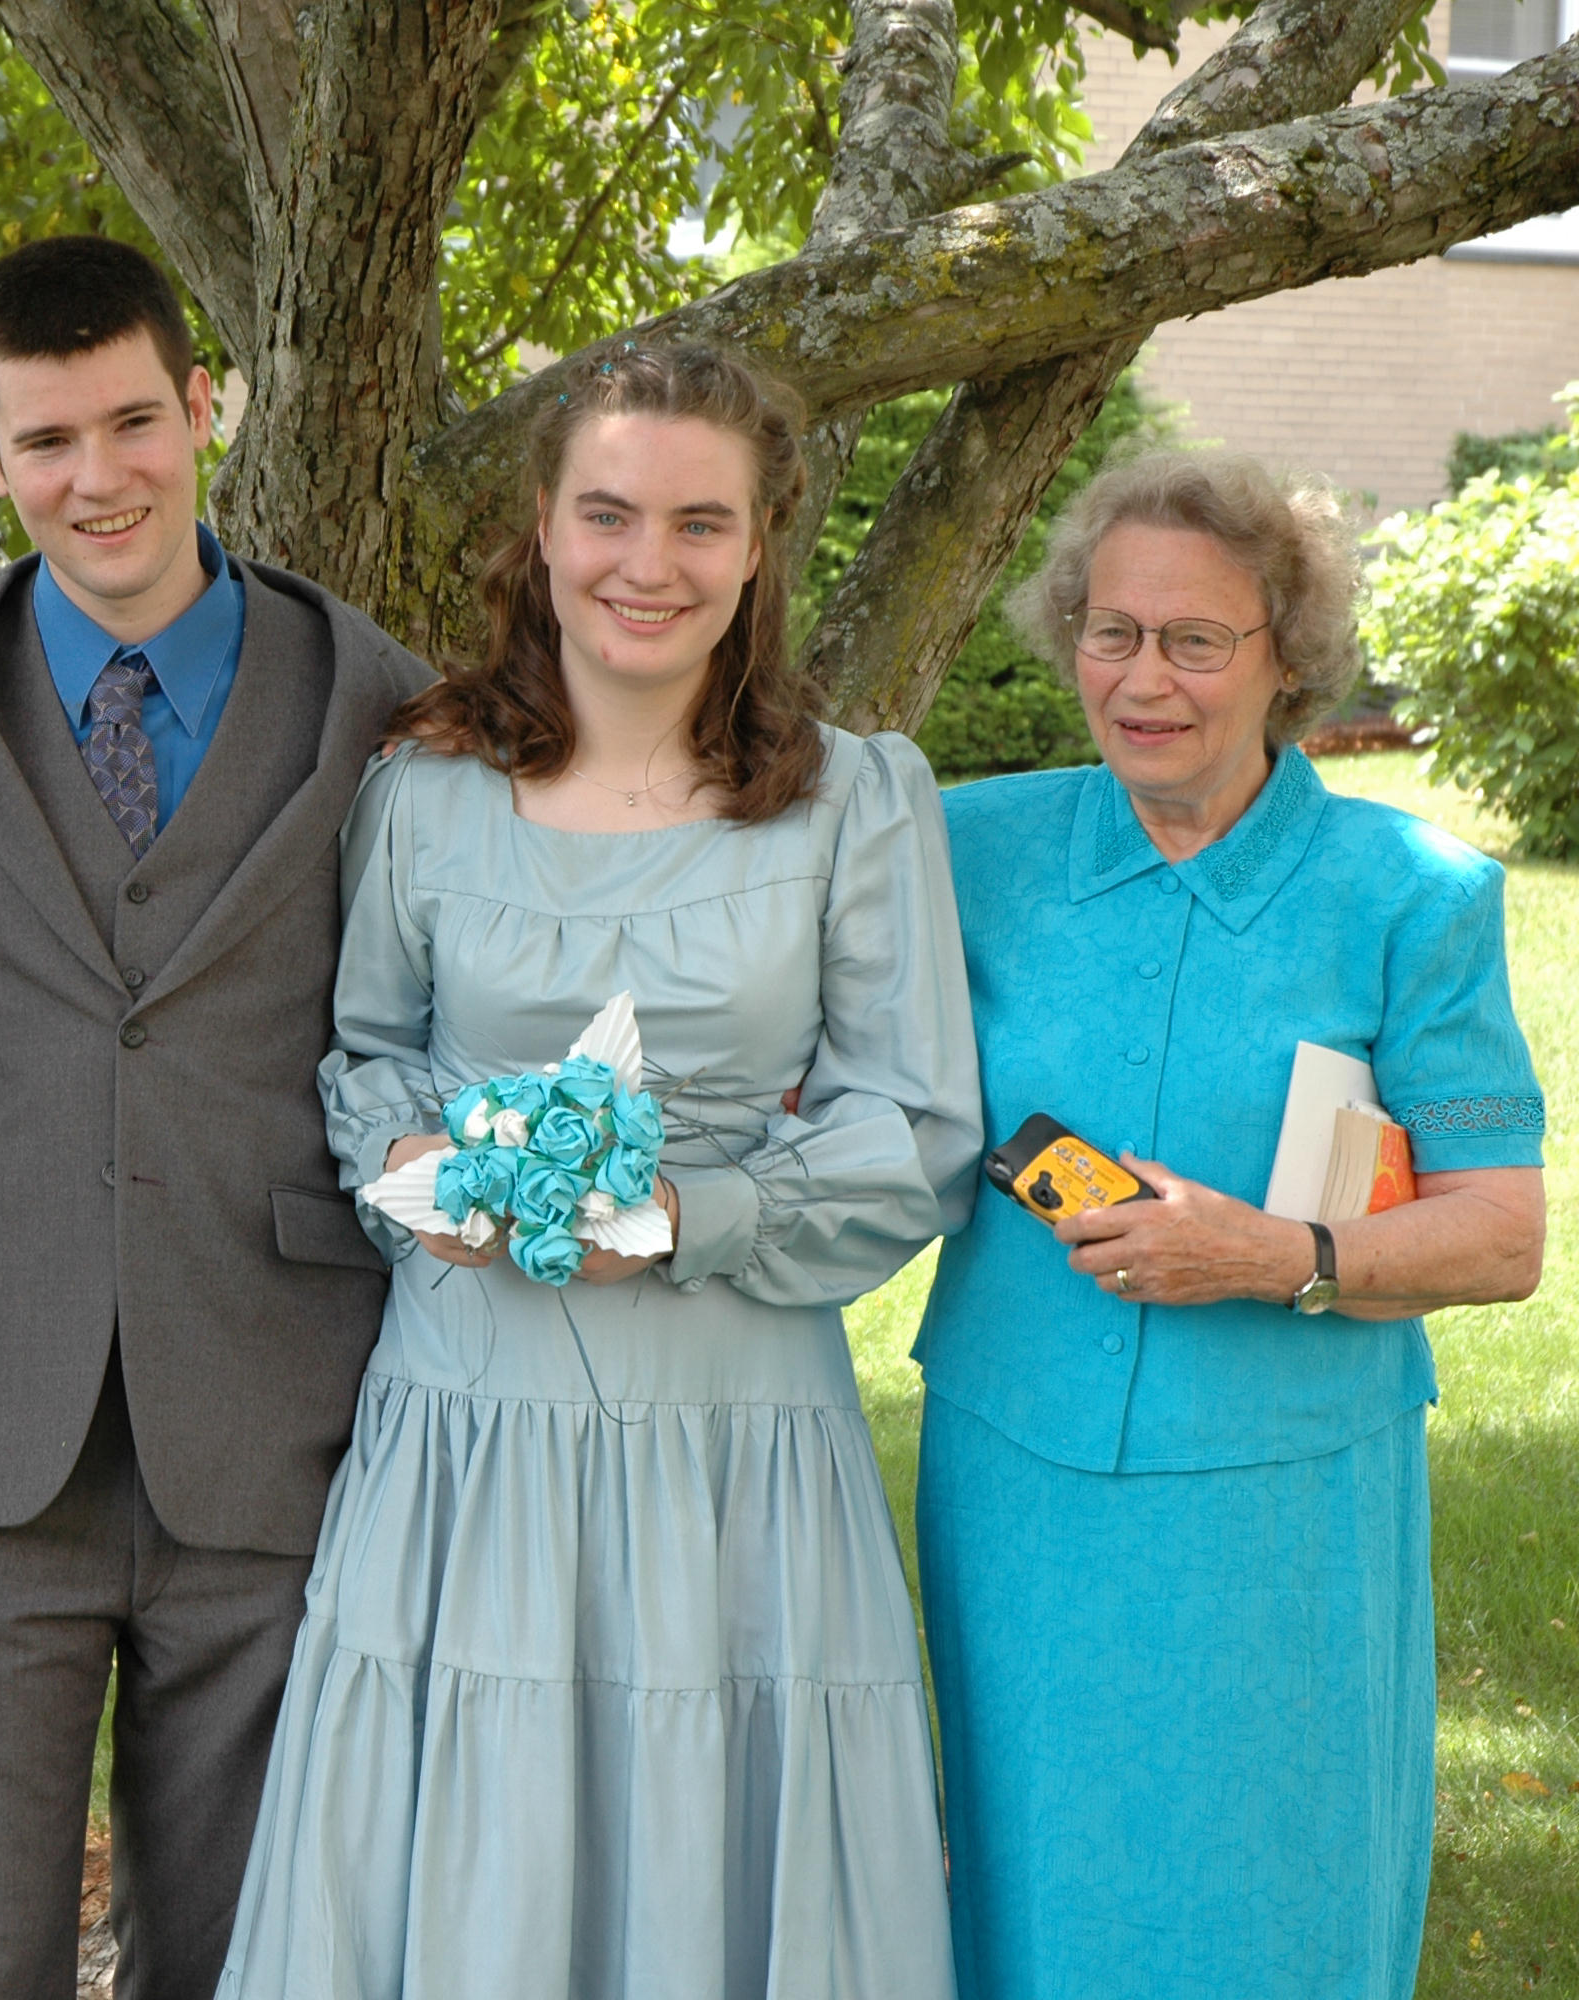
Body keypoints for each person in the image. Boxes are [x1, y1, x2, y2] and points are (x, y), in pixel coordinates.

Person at [218, 339, 978, 1999]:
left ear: (762, 543)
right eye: (611, 515)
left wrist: (690, 1218)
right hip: (469, 1418)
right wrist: (422, 1168)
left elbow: (910, 1123)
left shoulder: (854, 801)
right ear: (543, 532)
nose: (651, 564)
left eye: (701, 524)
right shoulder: (422, 792)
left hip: (736, 1433)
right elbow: (369, 1055)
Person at [0, 234, 433, 1997]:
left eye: (136, 421)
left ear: (206, 405)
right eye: (50, 439)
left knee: (255, 1951)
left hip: (277, 1405)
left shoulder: (376, 693)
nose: (102, 478)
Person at [915, 449, 1548, 2000]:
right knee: (1030, 1885)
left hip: (1286, 1510)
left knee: (1277, 1889)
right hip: (1020, 1484)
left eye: (1198, 641)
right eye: (1111, 631)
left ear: (1288, 662)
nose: (1146, 678)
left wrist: (1283, 1257)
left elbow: (1502, 1235)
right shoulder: (959, 850)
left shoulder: (1412, 894)